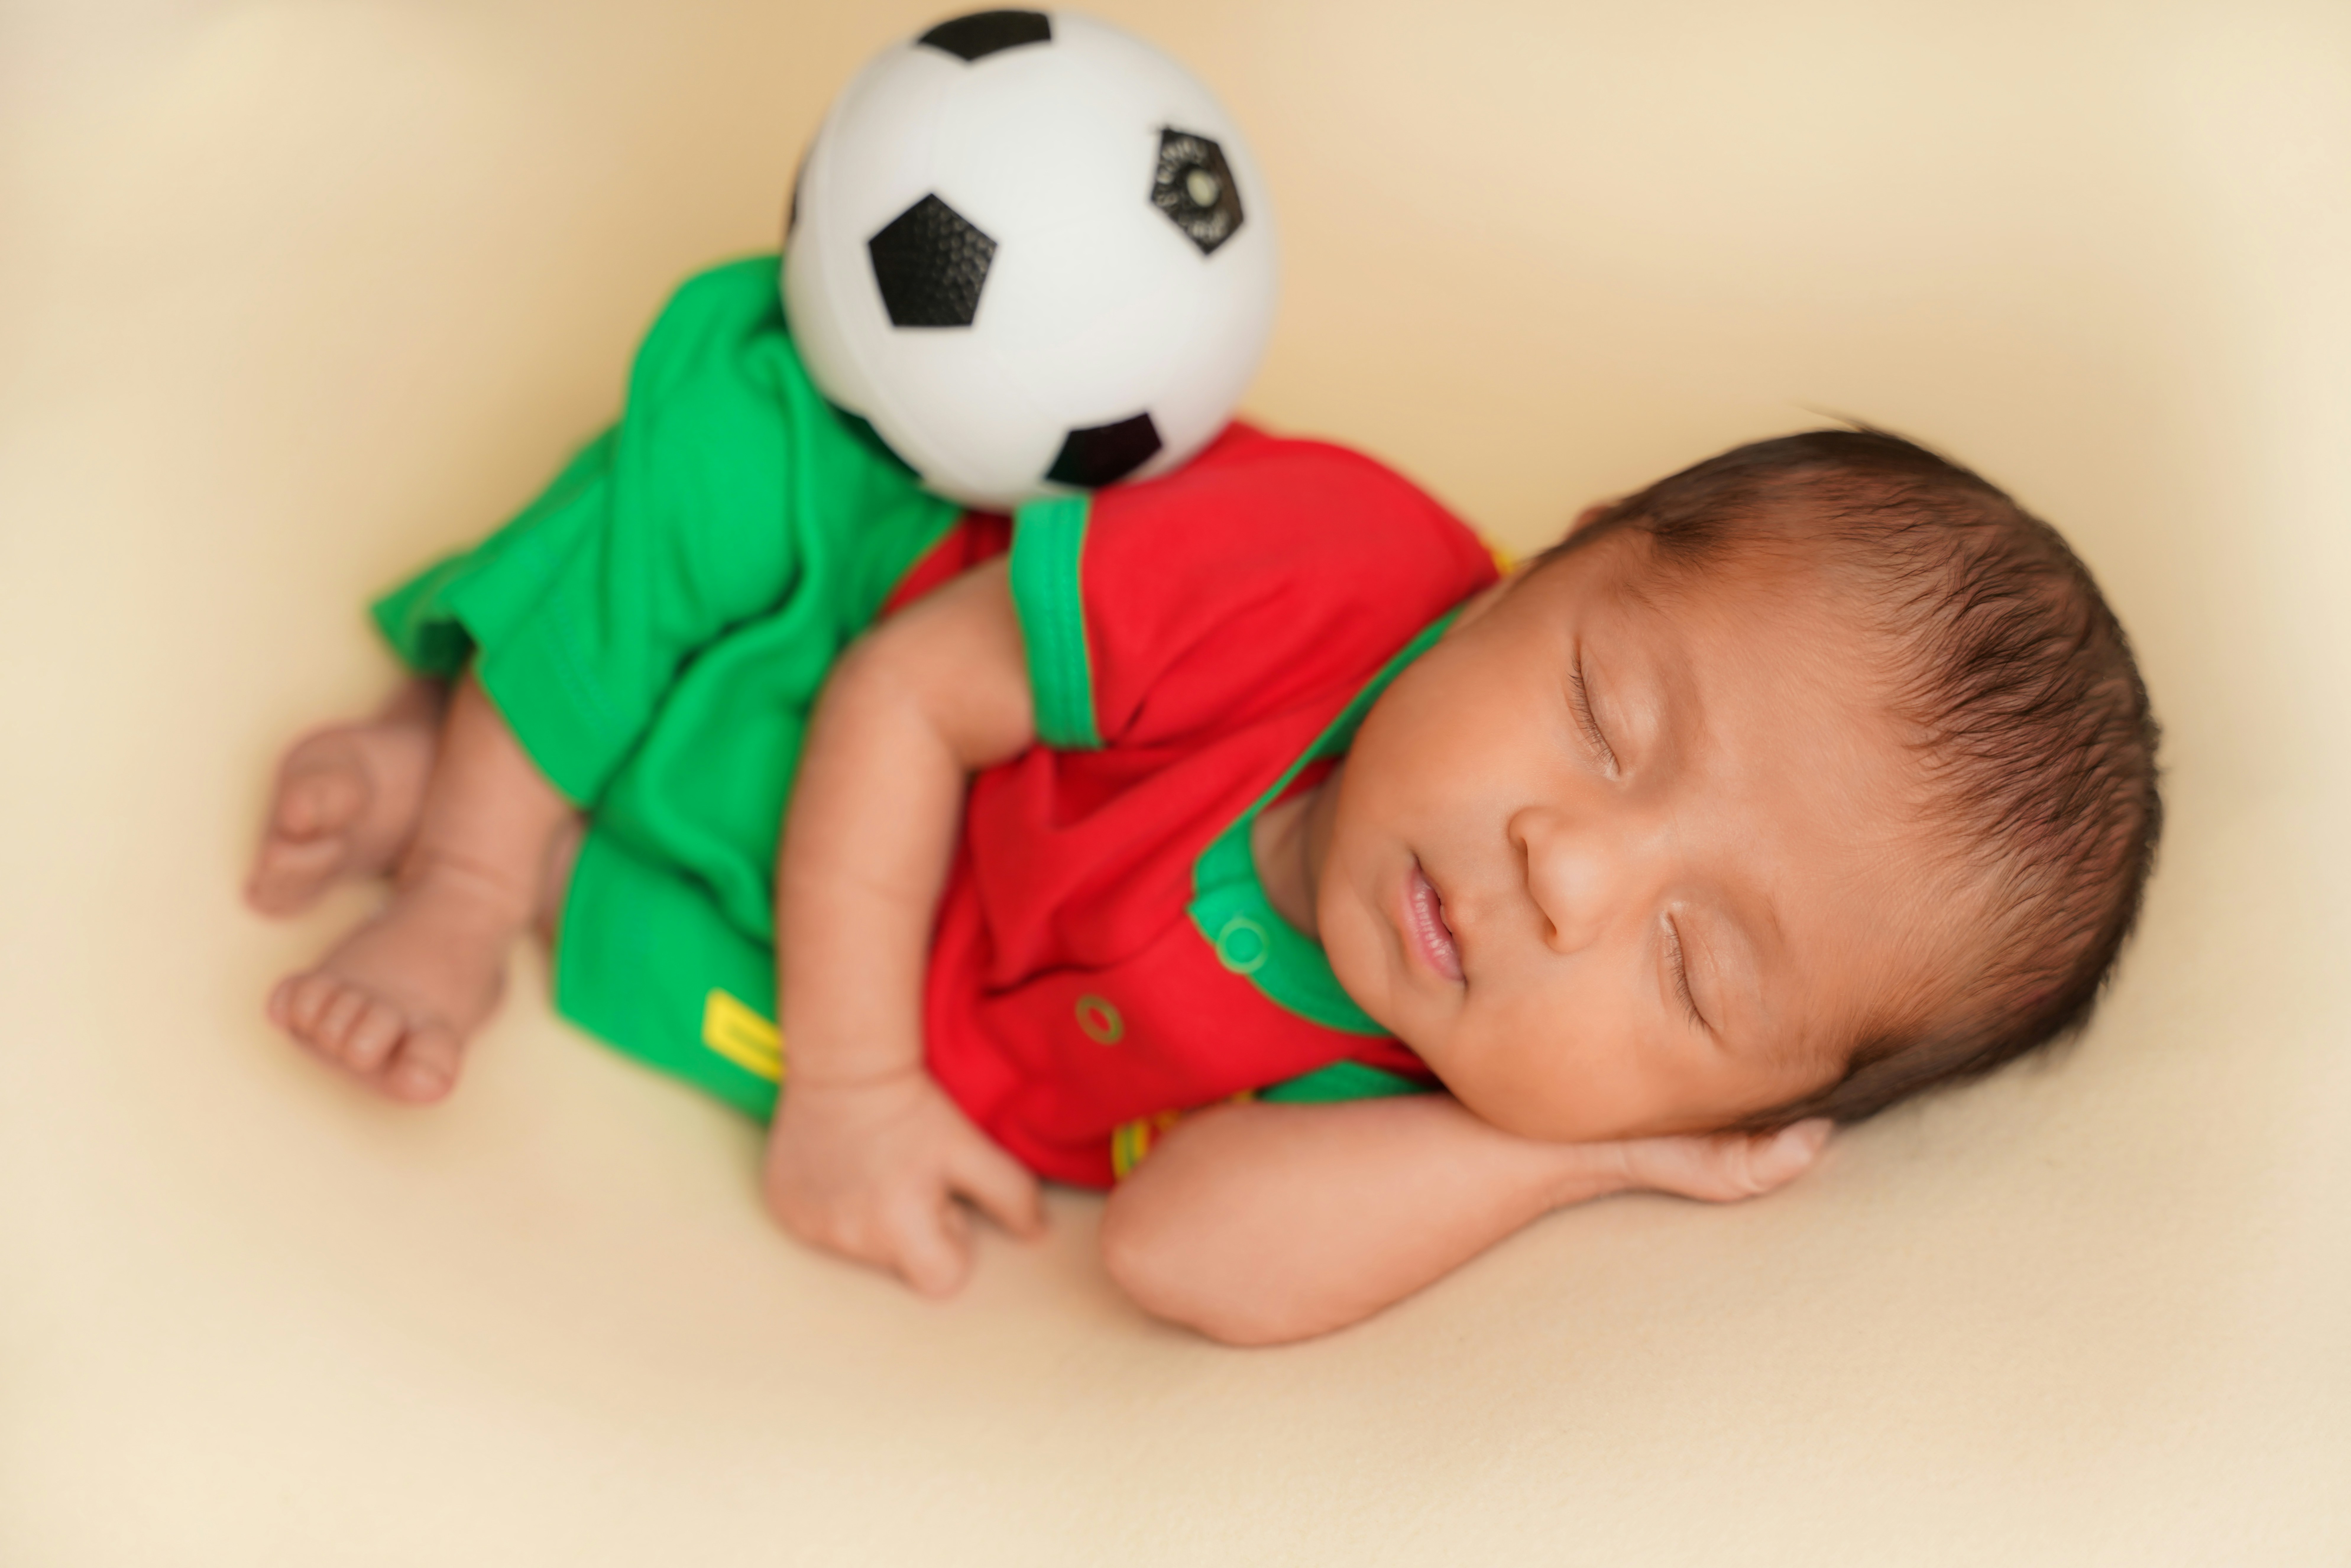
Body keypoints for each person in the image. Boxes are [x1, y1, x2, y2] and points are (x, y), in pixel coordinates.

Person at [245, 257, 2161, 1345]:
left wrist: (1567, 1155)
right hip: (863, 615)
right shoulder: (1320, 568)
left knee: (725, 983)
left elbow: (1183, 1253)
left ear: (1740, 1105)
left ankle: (490, 779)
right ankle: (471, 852)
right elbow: (917, 693)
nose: (1565, 868)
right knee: (726, 461)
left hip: (896, 968)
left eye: (1695, 975)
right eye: (1600, 706)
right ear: (1544, 563)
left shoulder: (1445, 1081)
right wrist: (852, 1089)